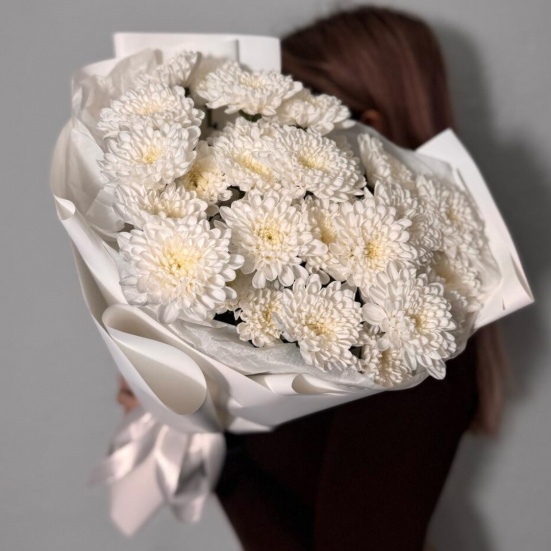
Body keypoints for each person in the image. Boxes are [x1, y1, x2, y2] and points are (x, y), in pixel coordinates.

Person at [117, 7, 507, 550]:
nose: (275, 138)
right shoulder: (309, 300)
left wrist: (216, 439)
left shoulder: (407, 345)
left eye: (299, 120)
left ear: (369, 129)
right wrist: (191, 398)